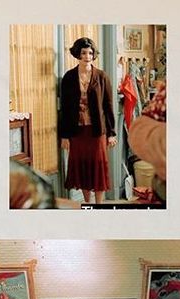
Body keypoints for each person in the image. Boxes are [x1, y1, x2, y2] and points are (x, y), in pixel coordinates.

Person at [59, 37, 116, 203]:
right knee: (82, 169)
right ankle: (87, 204)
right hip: (76, 131)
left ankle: (99, 206)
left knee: (98, 169)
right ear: (78, 54)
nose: (87, 56)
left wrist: (111, 133)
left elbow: (109, 106)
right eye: (84, 52)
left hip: (97, 131)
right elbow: (64, 108)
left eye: (90, 53)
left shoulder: (102, 77)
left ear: (93, 55)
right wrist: (64, 136)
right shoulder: (69, 77)